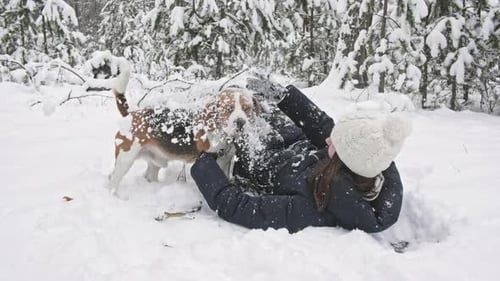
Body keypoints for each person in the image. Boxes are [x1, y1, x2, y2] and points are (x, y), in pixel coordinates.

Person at [190, 76, 412, 233]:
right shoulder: (368, 161)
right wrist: (284, 97)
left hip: (260, 159)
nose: (328, 139)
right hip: (293, 142)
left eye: (334, 142)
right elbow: (324, 126)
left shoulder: (315, 205)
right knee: (253, 102)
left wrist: (204, 163)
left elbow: (239, 207)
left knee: (231, 118)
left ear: (345, 159)